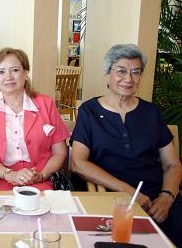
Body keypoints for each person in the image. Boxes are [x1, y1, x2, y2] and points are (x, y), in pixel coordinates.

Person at [70, 44, 182, 246]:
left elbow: (172, 164)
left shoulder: (151, 113)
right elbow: (78, 163)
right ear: (107, 74)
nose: (128, 79)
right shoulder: (90, 111)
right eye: (121, 71)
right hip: (113, 198)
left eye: (135, 72)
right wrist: (129, 192)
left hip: (158, 197)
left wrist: (167, 197)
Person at [0, 47, 69, 190]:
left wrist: (42, 175)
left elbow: (60, 152)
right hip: (2, 179)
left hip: (41, 179)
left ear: (25, 73)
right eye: (1, 72)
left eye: (15, 70)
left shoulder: (46, 104)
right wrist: (9, 174)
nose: (8, 77)